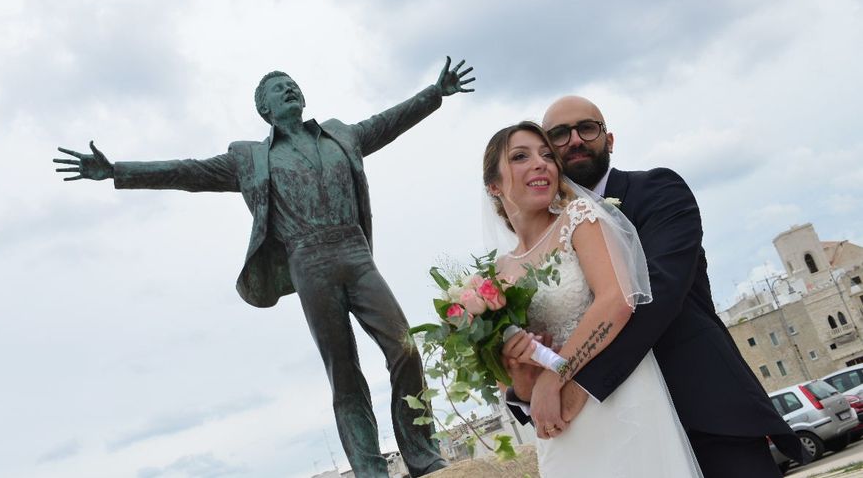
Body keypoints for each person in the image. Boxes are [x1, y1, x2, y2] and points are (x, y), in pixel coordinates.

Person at [52, 58, 475, 478]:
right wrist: (115, 172)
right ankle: (369, 470)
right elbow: (188, 171)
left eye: (293, 83)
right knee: (343, 372)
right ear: (264, 110)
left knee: (404, 347)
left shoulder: (341, 134)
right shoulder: (249, 158)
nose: (289, 88)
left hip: (354, 253)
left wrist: (434, 93)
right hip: (307, 262)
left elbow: (389, 122)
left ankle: (422, 455)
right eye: (278, 88)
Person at [506, 96, 805, 477]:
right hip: (617, 432)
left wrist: (573, 379)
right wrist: (526, 387)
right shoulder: (538, 246)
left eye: (587, 128)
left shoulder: (659, 190)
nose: (575, 140)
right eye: (559, 136)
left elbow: (656, 293)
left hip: (705, 409)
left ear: (609, 139)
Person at [485, 121, 702, 477]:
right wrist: (519, 365)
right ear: (494, 186)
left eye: (546, 156)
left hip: (617, 400)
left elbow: (616, 301)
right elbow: (511, 384)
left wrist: (555, 376)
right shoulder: (497, 273)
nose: (541, 163)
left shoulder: (579, 219)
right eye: (520, 157)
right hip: (557, 424)